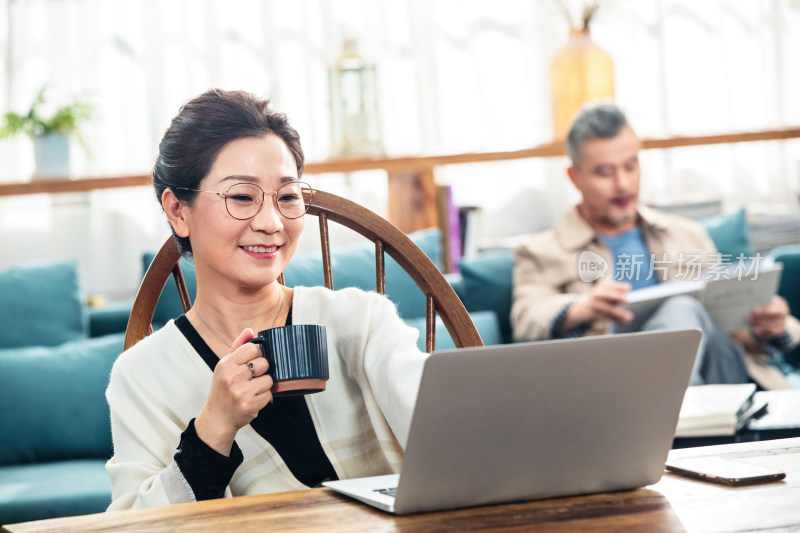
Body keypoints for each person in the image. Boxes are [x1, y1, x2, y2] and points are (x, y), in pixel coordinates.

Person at [105, 89, 427, 509]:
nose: (272, 223)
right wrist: (213, 428)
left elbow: (443, 439)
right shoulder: (143, 374)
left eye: (289, 197)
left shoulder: (361, 321)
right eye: (241, 197)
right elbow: (132, 523)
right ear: (178, 211)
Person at [511, 102, 800, 386]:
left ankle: (672, 415)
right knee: (679, 312)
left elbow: (728, 328)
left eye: (630, 166)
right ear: (574, 178)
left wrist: (769, 327)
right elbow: (525, 318)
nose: (623, 184)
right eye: (605, 172)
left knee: (681, 311)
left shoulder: (686, 233)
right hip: (610, 383)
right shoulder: (541, 251)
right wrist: (581, 307)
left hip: (716, 374)